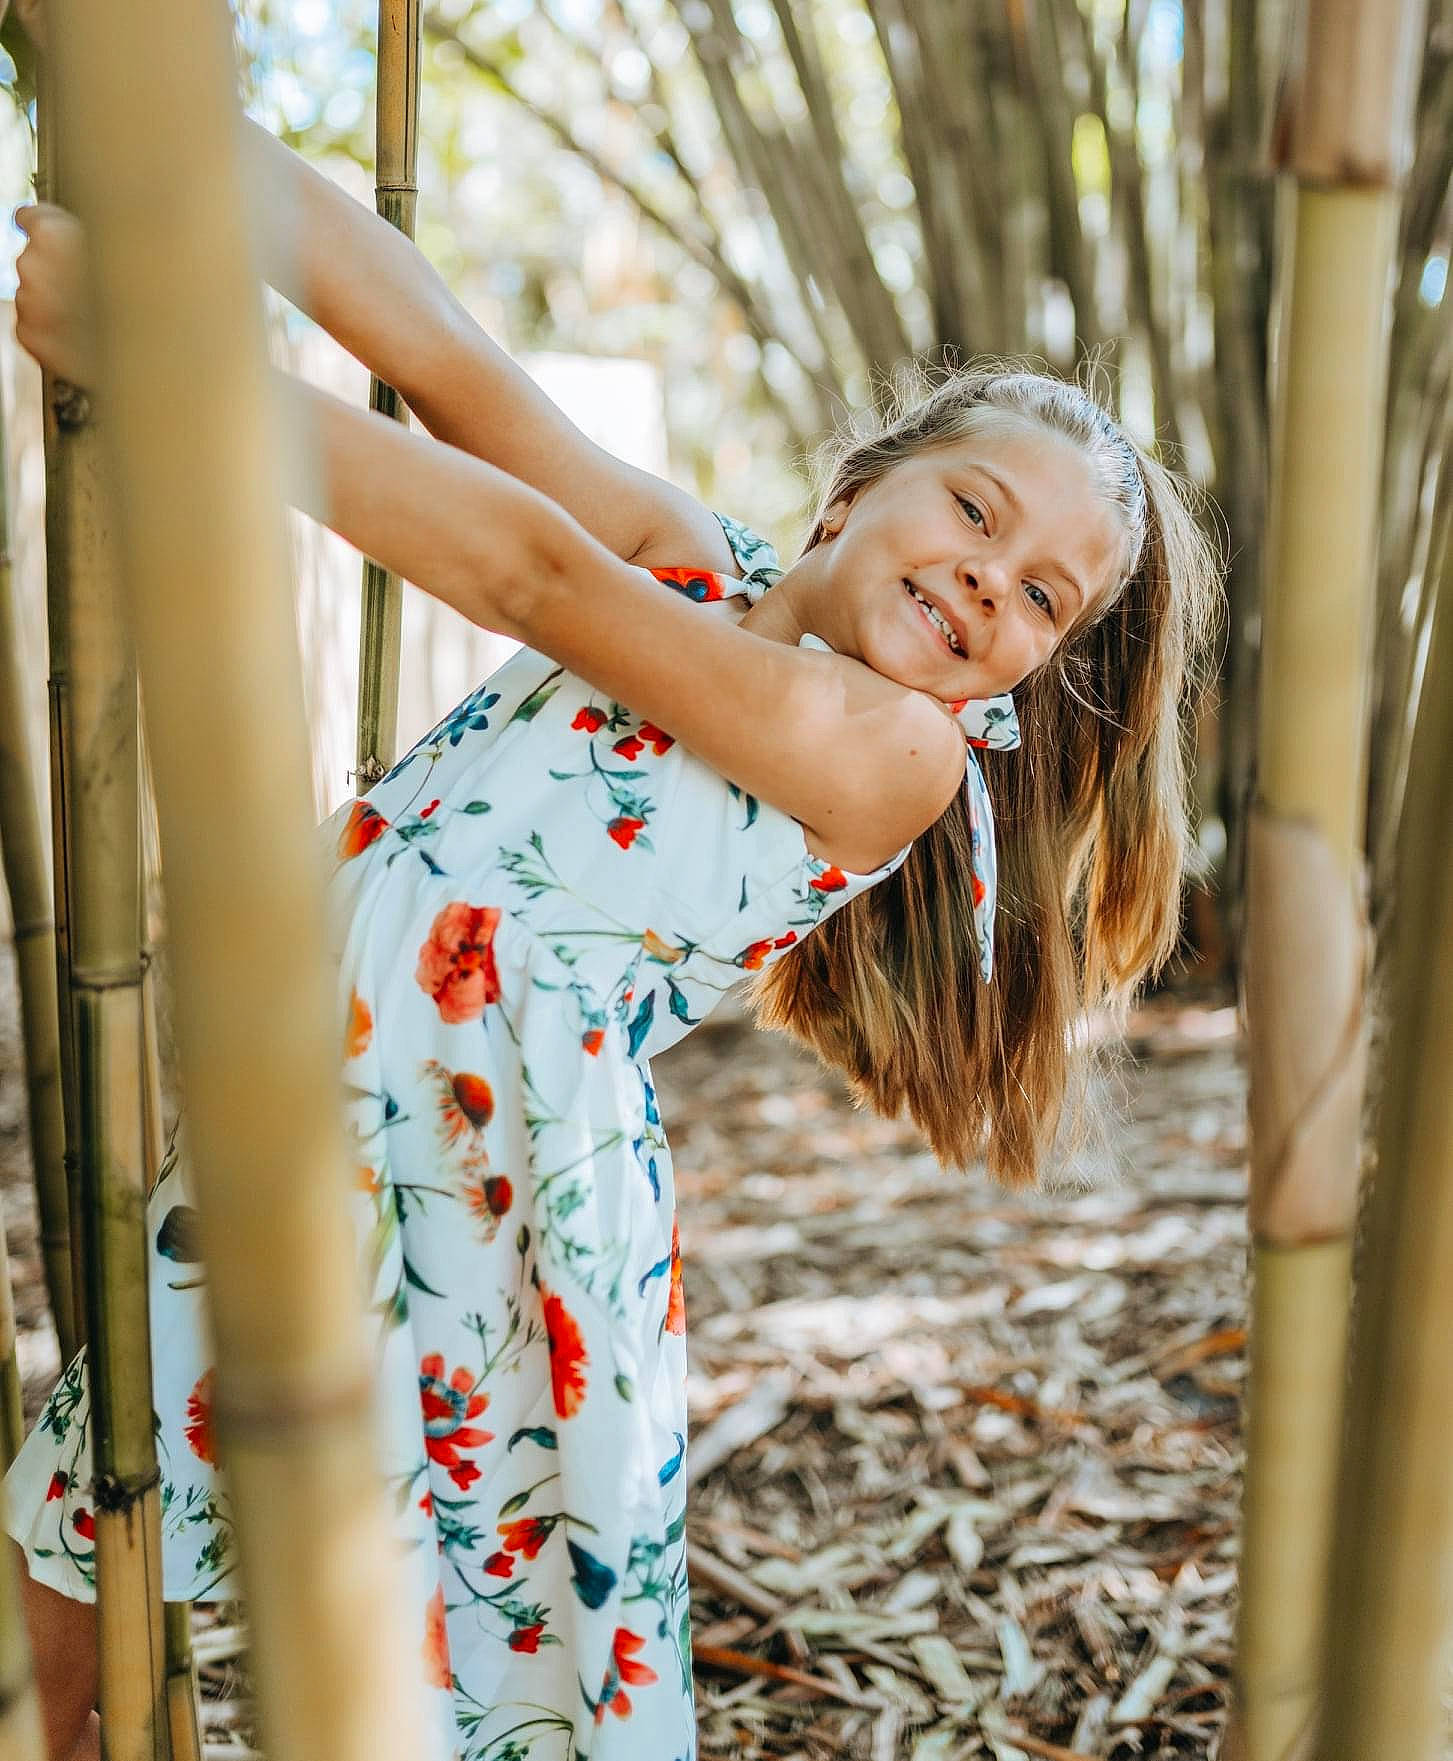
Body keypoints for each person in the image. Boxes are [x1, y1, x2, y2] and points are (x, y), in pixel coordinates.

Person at [6, 120, 1221, 1761]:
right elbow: (450, 361)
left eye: (1041, 599)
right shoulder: (699, 566)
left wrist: (162, 375)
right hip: (308, 1120)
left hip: (483, 1205)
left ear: (1024, 673)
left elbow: (533, 575)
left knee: (410, 1672)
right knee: (84, 1521)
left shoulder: (899, 756)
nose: (986, 585)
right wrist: (188, 133)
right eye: (975, 514)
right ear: (855, 486)